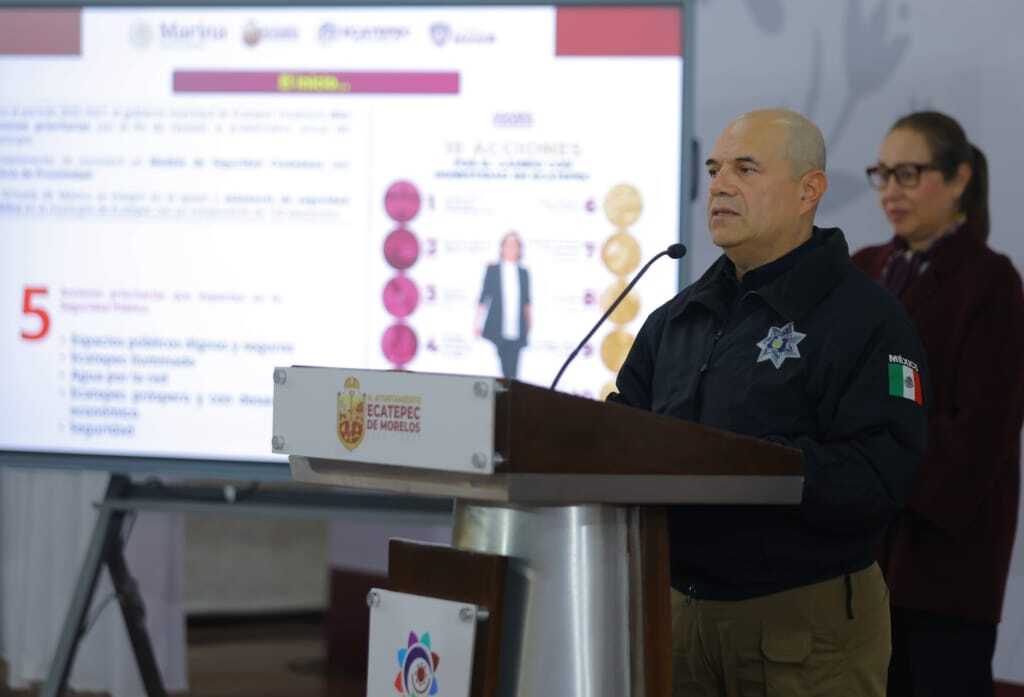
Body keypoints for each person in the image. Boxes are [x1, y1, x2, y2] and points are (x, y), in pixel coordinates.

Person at [607, 109, 928, 697]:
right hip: (679, 617)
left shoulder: (867, 320)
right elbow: (619, 433)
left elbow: (882, 473)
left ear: (810, 190)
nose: (721, 184)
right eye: (714, 169)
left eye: (746, 168)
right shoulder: (676, 320)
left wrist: (748, 466)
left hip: (803, 621)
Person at [853, 111, 1024, 697]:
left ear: (959, 180)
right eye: (882, 174)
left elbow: (982, 433)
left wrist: (878, 453)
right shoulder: (863, 270)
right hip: (856, 557)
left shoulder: (991, 281)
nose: (891, 191)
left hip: (944, 565)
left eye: (909, 173)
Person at [475, 231, 532, 379]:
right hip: (496, 328)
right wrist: (477, 322)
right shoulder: (493, 269)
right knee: (499, 370)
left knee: (513, 372)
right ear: (502, 248)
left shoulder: (523, 272)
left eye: (515, 245)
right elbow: (484, 296)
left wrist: (529, 324)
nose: (511, 248)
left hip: (517, 330)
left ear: (520, 249)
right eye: (508, 244)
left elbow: (527, 301)